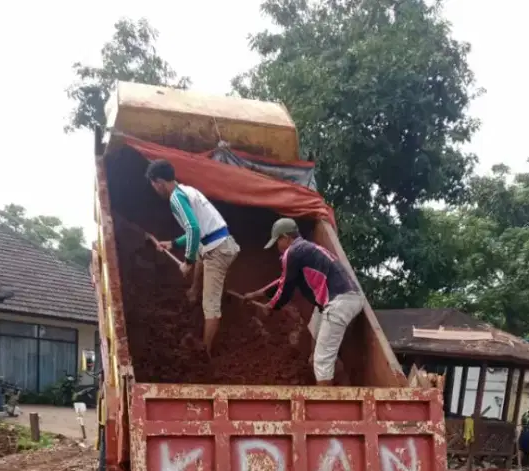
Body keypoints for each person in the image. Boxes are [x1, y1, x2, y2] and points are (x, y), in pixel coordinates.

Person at [244, 218, 364, 385]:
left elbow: (286, 288)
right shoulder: (305, 249)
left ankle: (326, 407)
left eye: (278, 241)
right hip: (341, 299)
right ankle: (341, 383)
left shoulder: (293, 252)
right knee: (316, 336)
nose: (278, 248)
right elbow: (285, 280)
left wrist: (269, 307)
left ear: (286, 237)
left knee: (322, 362)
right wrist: (258, 294)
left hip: (338, 302)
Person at [145, 159, 240, 354]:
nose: (154, 189)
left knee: (211, 304)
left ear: (159, 182)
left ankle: (204, 352)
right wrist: (173, 243)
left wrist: (187, 262)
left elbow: (193, 229)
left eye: (153, 184)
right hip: (221, 243)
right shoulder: (187, 190)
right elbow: (194, 232)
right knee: (198, 252)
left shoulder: (176, 199)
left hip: (217, 251)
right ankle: (194, 292)